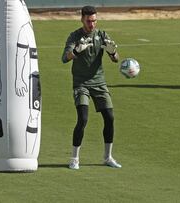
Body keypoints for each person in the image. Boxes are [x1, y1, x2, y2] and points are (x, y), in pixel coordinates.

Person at [61, 6, 121, 169]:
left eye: (94, 21)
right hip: (81, 84)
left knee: (109, 117)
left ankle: (108, 157)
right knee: (83, 119)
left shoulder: (101, 35)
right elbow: (64, 58)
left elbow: (115, 59)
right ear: (82, 19)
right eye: (88, 21)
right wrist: (76, 51)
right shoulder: (75, 36)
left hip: (99, 83)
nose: (92, 24)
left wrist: (113, 52)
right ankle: (74, 159)